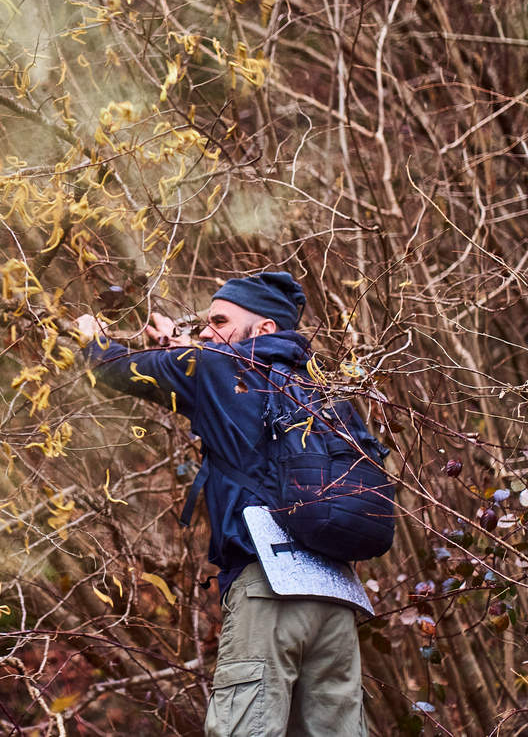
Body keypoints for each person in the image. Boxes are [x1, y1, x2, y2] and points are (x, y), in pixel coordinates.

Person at [73, 273, 367, 737]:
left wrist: (90, 339)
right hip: (336, 596)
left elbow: (118, 369)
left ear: (264, 330)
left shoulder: (216, 370)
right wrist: (176, 348)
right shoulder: (325, 392)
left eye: (220, 320)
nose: (207, 333)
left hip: (269, 588)